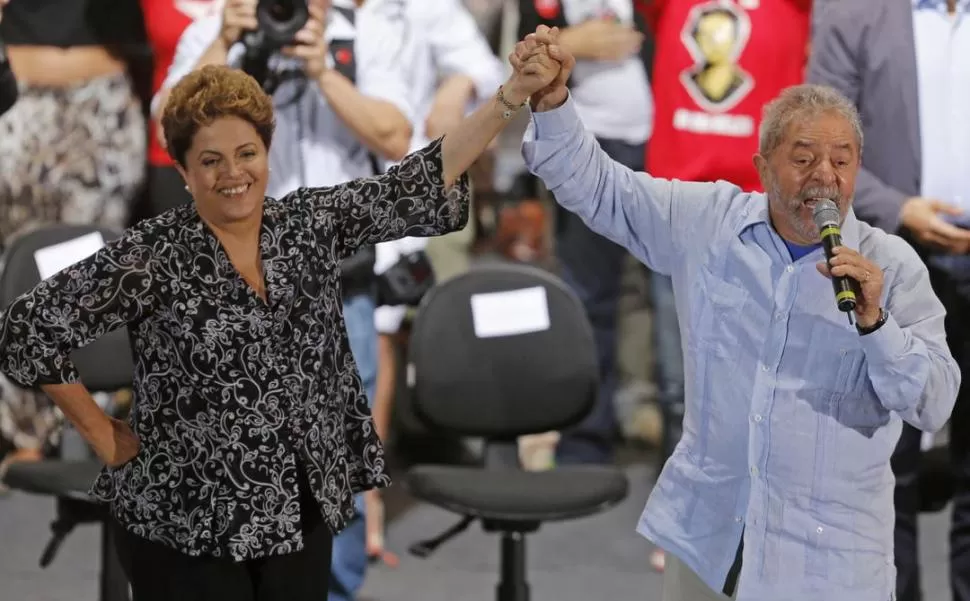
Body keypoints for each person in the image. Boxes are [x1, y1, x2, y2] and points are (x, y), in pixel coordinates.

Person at [0, 32, 562, 599]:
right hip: (185, 523)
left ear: (267, 151)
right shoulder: (150, 255)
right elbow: (27, 329)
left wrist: (510, 94)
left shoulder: (307, 225)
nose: (232, 174)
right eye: (210, 161)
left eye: (247, 153)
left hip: (297, 510)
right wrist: (101, 433)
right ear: (184, 169)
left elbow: (420, 179)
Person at [516, 26, 959, 601]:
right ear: (764, 165)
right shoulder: (708, 222)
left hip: (829, 562)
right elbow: (602, 189)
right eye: (803, 158)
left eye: (842, 161)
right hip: (710, 540)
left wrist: (878, 326)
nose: (825, 176)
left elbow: (934, 402)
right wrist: (552, 103)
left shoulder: (892, 268)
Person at [807, 1, 970, 599]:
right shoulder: (854, 12)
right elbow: (820, 134)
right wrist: (900, 209)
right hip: (890, 260)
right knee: (885, 468)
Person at [0, 0, 147, 478]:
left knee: (92, 268)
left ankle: (93, 422)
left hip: (101, 99)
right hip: (17, 96)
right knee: (15, 264)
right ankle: (27, 431)